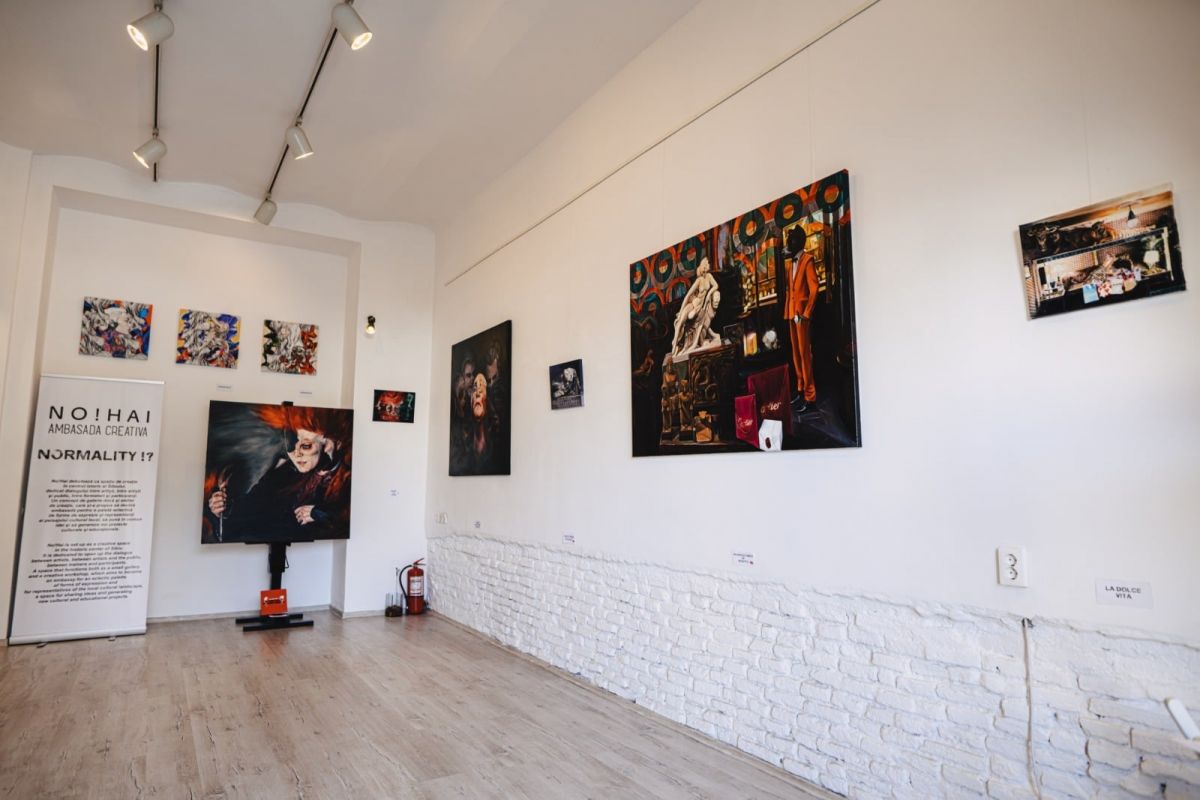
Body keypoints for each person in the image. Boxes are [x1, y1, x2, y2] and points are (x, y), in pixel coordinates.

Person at [206, 406, 351, 542]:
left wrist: (320, 515)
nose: (296, 454)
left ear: (330, 444)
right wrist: (223, 511)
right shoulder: (285, 472)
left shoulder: (347, 478)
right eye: (291, 443)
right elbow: (249, 510)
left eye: (306, 446)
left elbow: (352, 525)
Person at [784, 227, 819, 408]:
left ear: (797, 242)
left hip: (802, 316)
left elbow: (814, 289)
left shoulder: (808, 260)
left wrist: (806, 313)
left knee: (805, 355)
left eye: (790, 241)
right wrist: (789, 312)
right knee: (796, 354)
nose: (787, 244)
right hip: (792, 314)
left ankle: (810, 396)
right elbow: (790, 290)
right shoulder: (790, 265)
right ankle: (800, 389)